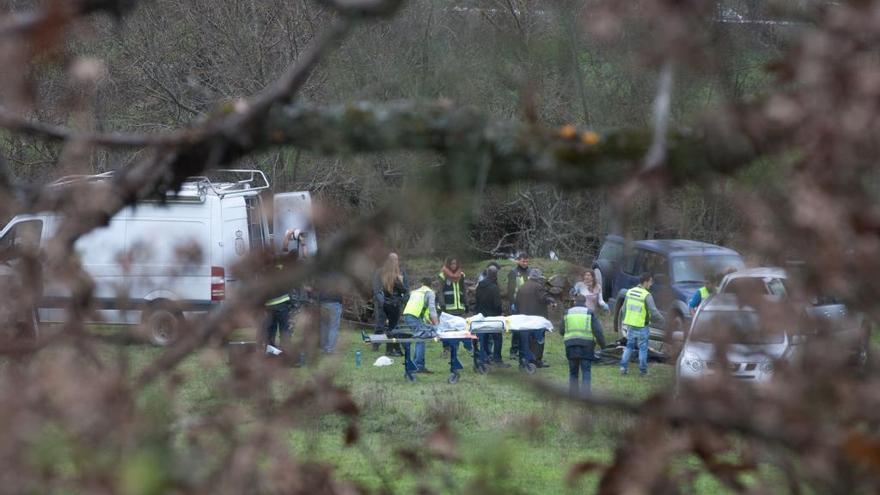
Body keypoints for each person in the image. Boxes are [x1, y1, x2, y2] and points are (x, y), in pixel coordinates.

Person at [619, 272, 666, 376]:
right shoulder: (646, 295)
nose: (651, 284)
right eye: (650, 282)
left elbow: (623, 309)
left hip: (631, 325)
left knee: (629, 347)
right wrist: (663, 321)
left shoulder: (630, 292)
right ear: (645, 282)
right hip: (642, 326)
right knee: (643, 348)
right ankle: (643, 371)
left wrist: (625, 320)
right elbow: (653, 311)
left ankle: (623, 368)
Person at [560, 295, 607, 395]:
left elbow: (561, 330)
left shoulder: (567, 312)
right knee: (586, 371)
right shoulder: (589, 313)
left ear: (575, 302)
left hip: (571, 345)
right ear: (584, 302)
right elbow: (598, 331)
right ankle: (585, 396)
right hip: (587, 346)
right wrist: (603, 345)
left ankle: (573, 395)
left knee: (573, 373)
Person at [515, 268, 556, 368]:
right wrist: (552, 301)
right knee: (538, 340)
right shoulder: (538, 287)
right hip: (537, 319)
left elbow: (517, 302)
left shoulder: (522, 287)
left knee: (526, 340)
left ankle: (525, 359)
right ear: (538, 277)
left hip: (524, 318)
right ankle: (537, 360)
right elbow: (544, 297)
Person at [401, 277, 440, 374]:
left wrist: (429, 322)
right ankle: (418, 366)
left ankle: (417, 365)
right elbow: (432, 310)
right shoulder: (430, 293)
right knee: (421, 339)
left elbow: (422, 309)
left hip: (408, 315)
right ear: (431, 285)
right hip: (413, 317)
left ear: (422, 284)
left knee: (420, 338)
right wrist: (437, 326)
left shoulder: (416, 292)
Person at [373, 253, 408, 355]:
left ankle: (395, 346)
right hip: (384, 303)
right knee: (380, 324)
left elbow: (406, 289)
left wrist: (401, 301)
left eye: (396, 259)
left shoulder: (401, 272)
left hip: (396, 304)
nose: (395, 262)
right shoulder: (380, 272)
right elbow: (376, 289)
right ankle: (376, 344)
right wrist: (382, 302)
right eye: (393, 260)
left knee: (395, 326)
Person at [474, 264, 509, 367]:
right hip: (493, 316)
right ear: (495, 275)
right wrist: (500, 313)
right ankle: (497, 359)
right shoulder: (494, 287)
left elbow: (477, 300)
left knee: (484, 337)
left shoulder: (480, 285)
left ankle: (485, 357)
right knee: (497, 337)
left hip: (482, 315)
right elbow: (497, 304)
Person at [438, 257, 471, 356]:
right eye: (452, 264)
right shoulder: (442, 275)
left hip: (459, 307)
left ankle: (458, 347)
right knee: (446, 329)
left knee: (460, 328)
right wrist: (442, 304)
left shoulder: (461, 275)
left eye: (455, 264)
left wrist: (467, 303)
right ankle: (446, 349)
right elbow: (440, 291)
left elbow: (464, 290)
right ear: (448, 264)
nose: (454, 266)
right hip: (448, 307)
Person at [506, 252, 530, 359]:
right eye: (523, 261)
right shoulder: (513, 272)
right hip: (516, 305)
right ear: (518, 261)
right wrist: (512, 303)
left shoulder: (530, 272)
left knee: (527, 329)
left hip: (528, 305)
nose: (525, 263)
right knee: (516, 329)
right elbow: (510, 291)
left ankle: (525, 350)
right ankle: (513, 351)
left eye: (526, 261)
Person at [317, 272, 345, 354]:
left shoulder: (323, 274)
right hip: (335, 302)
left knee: (324, 326)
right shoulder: (339, 275)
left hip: (323, 302)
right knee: (333, 327)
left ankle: (324, 347)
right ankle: (330, 349)